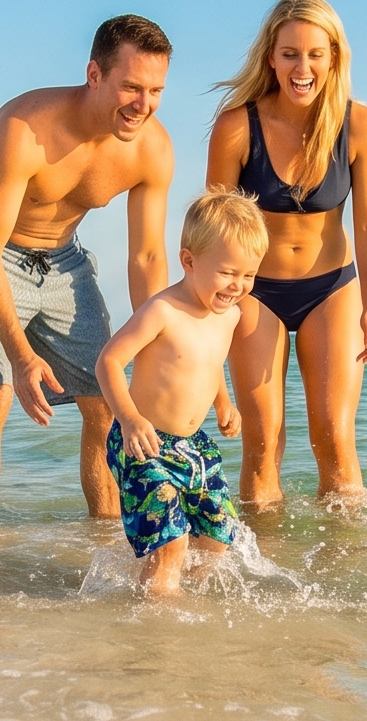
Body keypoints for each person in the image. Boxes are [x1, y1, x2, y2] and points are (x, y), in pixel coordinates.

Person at [0, 14, 178, 530]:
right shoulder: (24, 128)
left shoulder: (152, 150)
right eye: (131, 86)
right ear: (94, 75)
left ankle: (106, 539)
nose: (144, 104)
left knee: (107, 403)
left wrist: (158, 341)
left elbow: (146, 259)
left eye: (156, 90)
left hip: (64, 256)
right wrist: (22, 357)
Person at [207, 0, 367, 509]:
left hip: (331, 287)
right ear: (270, 57)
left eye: (314, 54)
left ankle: (346, 569)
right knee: (263, 443)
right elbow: (215, 227)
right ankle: (264, 573)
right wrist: (209, 309)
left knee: (334, 435)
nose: (302, 68)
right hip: (253, 290)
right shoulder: (237, 127)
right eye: (289, 54)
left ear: (333, 58)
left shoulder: (361, 126)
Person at [93, 192, 265, 596]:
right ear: (188, 261)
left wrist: (224, 402)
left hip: (192, 447)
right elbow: (109, 362)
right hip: (143, 443)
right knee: (171, 545)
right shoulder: (162, 311)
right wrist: (130, 418)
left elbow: (210, 361)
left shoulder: (230, 315)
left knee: (219, 536)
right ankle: (159, 622)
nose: (237, 286)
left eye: (249, 275)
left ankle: (175, 596)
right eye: (228, 273)